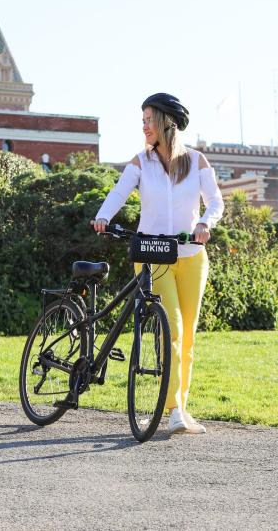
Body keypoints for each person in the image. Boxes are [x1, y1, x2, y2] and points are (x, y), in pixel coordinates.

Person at [93, 93, 224, 434]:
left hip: (192, 257)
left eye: (148, 119)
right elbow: (119, 193)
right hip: (152, 257)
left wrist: (204, 224)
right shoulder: (141, 162)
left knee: (188, 337)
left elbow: (215, 202)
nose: (144, 126)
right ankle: (174, 410)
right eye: (143, 120)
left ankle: (181, 406)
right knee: (173, 331)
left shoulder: (197, 161)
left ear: (167, 122)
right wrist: (103, 216)